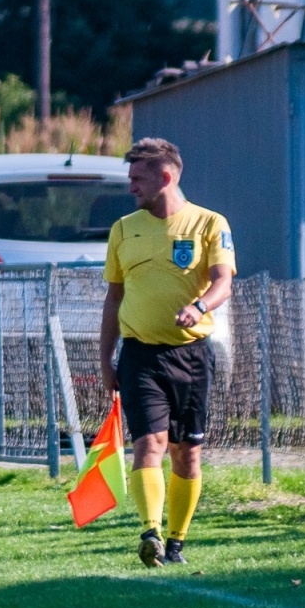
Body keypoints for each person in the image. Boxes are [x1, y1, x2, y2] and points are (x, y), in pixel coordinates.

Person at [99, 137, 235, 567]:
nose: (130, 187)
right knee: (148, 443)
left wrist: (198, 307)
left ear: (166, 176)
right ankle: (150, 532)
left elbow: (222, 282)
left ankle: (177, 542)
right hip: (140, 355)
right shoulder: (124, 229)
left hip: (192, 356)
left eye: (137, 178)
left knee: (187, 451)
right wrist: (106, 358)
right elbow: (113, 298)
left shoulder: (210, 224)